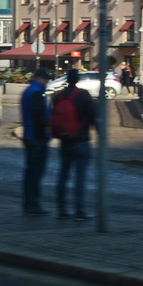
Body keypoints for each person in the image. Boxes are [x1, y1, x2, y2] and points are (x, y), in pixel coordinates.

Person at [50, 68, 96, 220]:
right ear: (77, 80)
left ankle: (62, 209)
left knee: (63, 175)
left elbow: (54, 117)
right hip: (80, 140)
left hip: (64, 141)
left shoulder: (58, 96)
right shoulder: (83, 95)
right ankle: (79, 211)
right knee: (80, 177)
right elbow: (93, 116)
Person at [20, 67, 53, 215]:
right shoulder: (36, 93)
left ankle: (29, 204)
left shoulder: (28, 91)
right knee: (35, 173)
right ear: (40, 78)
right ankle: (33, 205)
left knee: (30, 173)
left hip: (29, 136)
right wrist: (47, 131)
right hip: (37, 138)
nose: (47, 82)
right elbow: (39, 117)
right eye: (45, 80)